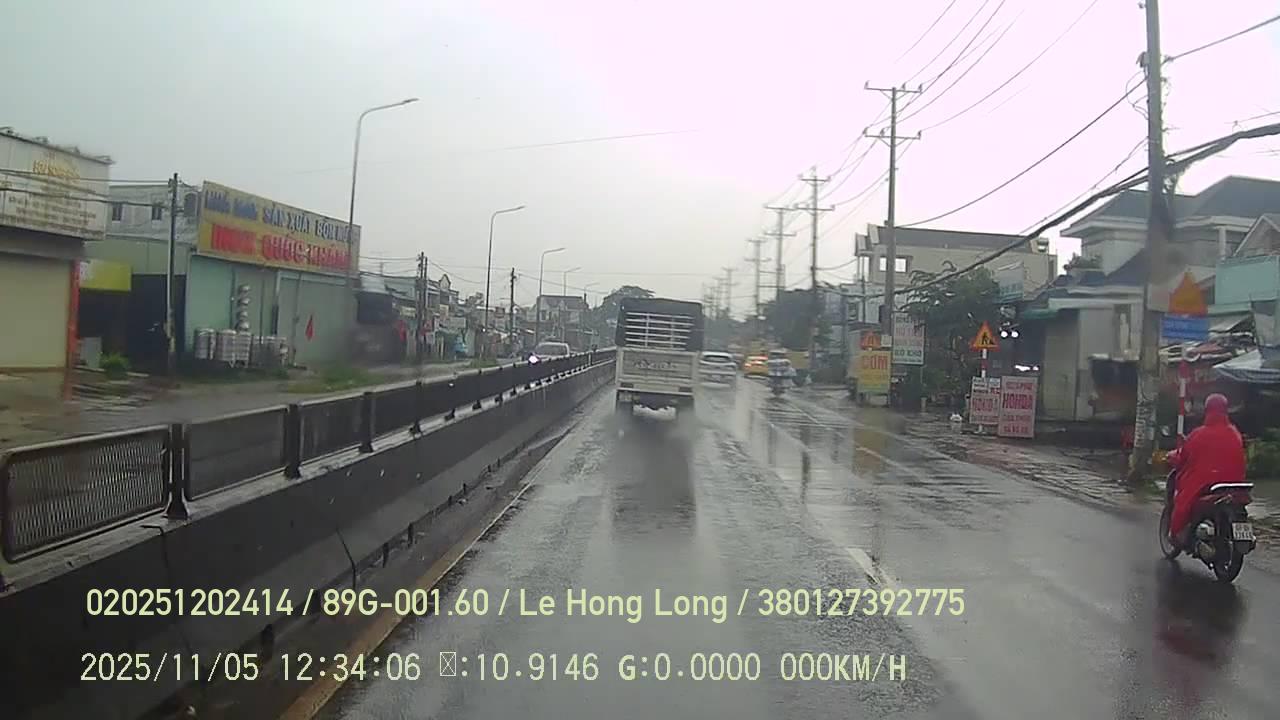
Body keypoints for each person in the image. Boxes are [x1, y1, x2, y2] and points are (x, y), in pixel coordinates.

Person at [1166, 393, 1246, 546]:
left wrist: (1171, 457)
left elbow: (1183, 457)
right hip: (1234, 484)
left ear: (1207, 410)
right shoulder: (1235, 433)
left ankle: (1176, 534)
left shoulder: (1199, 434)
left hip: (1207, 483)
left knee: (1183, 500)